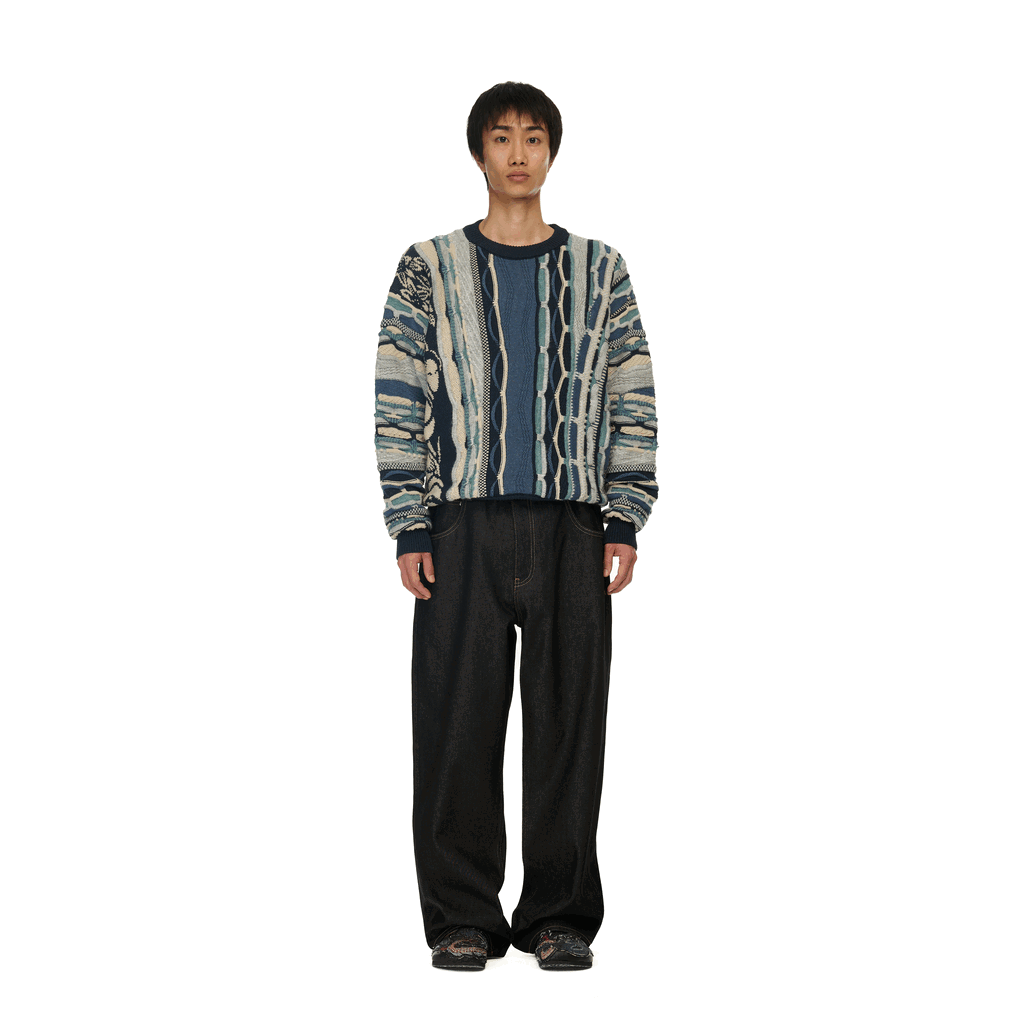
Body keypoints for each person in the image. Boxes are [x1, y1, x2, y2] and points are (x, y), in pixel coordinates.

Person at [373, 81, 659, 971]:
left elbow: (632, 391)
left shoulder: (601, 270)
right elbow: (398, 391)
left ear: (553, 151)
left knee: (570, 726)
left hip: (574, 527)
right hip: (460, 526)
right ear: (479, 153)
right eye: (502, 137)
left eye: (534, 137)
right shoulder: (428, 266)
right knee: (455, 724)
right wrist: (410, 524)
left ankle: (558, 917)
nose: (519, 153)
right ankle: (461, 915)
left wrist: (625, 515)